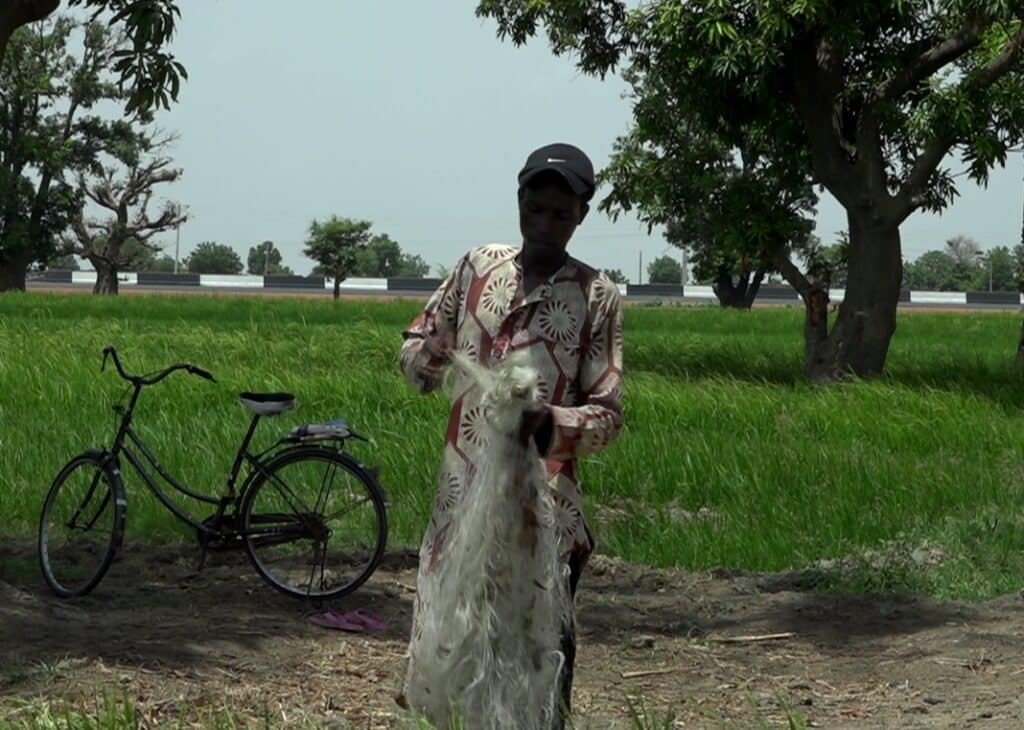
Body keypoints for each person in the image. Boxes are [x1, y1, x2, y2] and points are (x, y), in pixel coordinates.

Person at [398, 142, 624, 726]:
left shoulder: (596, 297)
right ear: (519, 201)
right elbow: (415, 349)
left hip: (543, 520)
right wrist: (431, 357)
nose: (546, 224)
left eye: (561, 214)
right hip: (459, 507)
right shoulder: (478, 268)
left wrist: (551, 424)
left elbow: (607, 415)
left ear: (581, 217)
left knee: (534, 664)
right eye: (536, 208)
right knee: (452, 650)